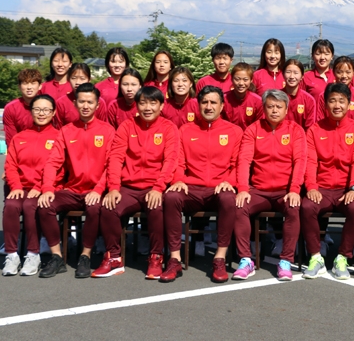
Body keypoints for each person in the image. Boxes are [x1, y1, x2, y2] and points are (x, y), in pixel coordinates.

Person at [93, 87, 179, 279]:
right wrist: (113, 188)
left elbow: (170, 160)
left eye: (152, 103)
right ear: (136, 106)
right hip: (128, 187)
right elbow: (115, 158)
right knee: (108, 207)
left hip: (154, 186)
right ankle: (114, 258)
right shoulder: (126, 126)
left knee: (157, 207)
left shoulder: (168, 127)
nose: (147, 107)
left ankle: (156, 257)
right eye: (143, 103)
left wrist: (158, 188)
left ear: (161, 105)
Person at [160, 86, 242, 283]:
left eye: (213, 102)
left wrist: (228, 182)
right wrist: (178, 179)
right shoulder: (185, 130)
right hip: (192, 188)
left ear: (222, 106)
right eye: (204, 102)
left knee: (229, 198)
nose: (208, 106)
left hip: (218, 189)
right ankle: (174, 259)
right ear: (198, 105)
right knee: (171, 197)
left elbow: (238, 165)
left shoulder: (234, 131)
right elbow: (178, 162)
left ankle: (220, 257)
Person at [37, 84, 115, 279]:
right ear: (75, 103)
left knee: (95, 207)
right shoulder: (66, 131)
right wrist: (47, 188)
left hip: (97, 191)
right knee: (45, 205)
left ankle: (85, 256)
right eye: (82, 101)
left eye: (90, 102)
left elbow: (112, 165)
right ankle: (57, 257)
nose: (85, 106)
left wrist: (98, 190)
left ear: (98, 105)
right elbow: (52, 162)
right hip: (72, 190)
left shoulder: (108, 130)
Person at [233, 90, 306, 281]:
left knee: (294, 207)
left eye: (278, 107)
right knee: (239, 206)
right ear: (263, 108)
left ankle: (285, 261)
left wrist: (294, 190)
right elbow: (244, 161)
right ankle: (246, 260)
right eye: (270, 106)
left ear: (286, 109)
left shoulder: (295, 130)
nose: (274, 110)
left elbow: (300, 161)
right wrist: (242, 189)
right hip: (259, 190)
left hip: (284, 191)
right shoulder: (253, 129)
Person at [300, 84, 354, 280]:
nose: (337, 105)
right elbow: (311, 161)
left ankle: (342, 257)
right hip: (321, 188)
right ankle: (315, 257)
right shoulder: (314, 130)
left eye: (341, 101)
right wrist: (311, 186)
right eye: (332, 100)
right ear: (325, 104)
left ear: (349, 104)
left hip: (346, 189)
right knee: (306, 207)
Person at [2, 95, 59, 276]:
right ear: (31, 111)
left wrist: (40, 187)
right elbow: (10, 165)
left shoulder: (59, 137)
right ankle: (12, 254)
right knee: (11, 206)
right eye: (37, 109)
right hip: (21, 187)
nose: (41, 114)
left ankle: (33, 253)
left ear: (53, 112)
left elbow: (61, 169)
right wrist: (16, 186)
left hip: (44, 189)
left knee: (29, 206)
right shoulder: (20, 137)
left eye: (46, 110)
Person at [315, 56, 354, 126]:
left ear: (353, 72)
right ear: (333, 72)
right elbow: (320, 120)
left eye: (348, 72)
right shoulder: (324, 95)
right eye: (339, 72)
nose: (344, 76)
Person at [3, 68, 42, 146]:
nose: (29, 87)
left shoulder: (48, 105)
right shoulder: (11, 108)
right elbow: (11, 139)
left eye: (33, 83)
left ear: (40, 86)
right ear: (19, 87)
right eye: (25, 83)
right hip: (20, 150)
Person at [222, 62, 264, 130]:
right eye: (237, 79)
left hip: (249, 138)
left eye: (245, 80)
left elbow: (259, 126)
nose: (241, 83)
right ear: (231, 79)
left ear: (251, 80)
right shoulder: (223, 99)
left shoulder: (258, 101)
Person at [283, 59, 316, 130]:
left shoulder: (309, 100)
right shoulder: (276, 98)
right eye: (288, 72)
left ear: (302, 77)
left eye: (296, 73)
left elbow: (309, 128)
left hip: (301, 139)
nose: (292, 76)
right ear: (283, 74)